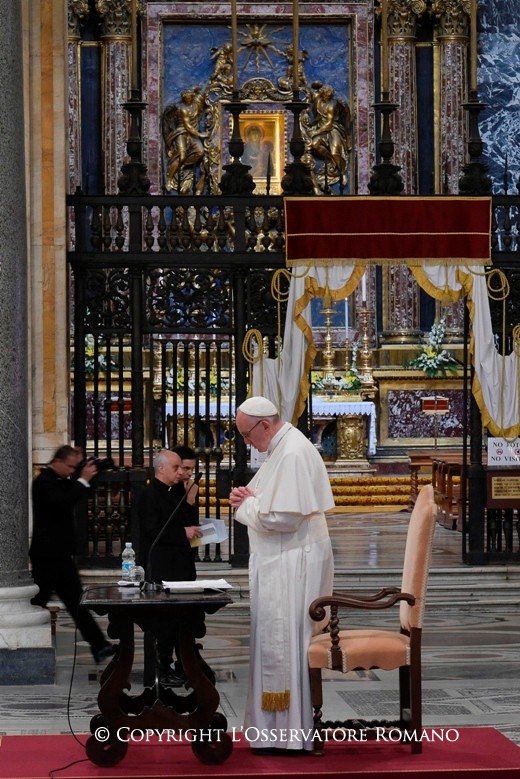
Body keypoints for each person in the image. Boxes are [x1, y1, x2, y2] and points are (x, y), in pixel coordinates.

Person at [229, 397, 335, 753]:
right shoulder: (283, 448)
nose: (247, 442)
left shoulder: (291, 452)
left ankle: (290, 733)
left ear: (264, 425)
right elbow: (272, 500)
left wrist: (246, 505)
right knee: (282, 642)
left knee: (288, 643)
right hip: (287, 557)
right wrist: (252, 498)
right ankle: (276, 731)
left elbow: (284, 518)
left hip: (293, 561)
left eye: (247, 434)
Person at [29, 445, 116, 664]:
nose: (71, 471)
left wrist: (93, 472)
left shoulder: (62, 480)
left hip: (61, 555)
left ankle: (100, 646)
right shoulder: (43, 482)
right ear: (57, 461)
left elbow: (79, 491)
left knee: (77, 603)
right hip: (47, 556)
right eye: (69, 467)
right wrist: (82, 479)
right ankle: (23, 639)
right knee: (37, 601)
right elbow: (63, 502)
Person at [137, 448, 202, 687]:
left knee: (182, 621)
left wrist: (190, 501)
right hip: (162, 567)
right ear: (161, 468)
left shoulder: (177, 491)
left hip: (182, 565)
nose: (181, 473)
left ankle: (183, 663)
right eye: (176, 468)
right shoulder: (149, 494)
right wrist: (183, 533)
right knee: (164, 623)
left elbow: (188, 523)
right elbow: (152, 531)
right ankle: (161, 669)